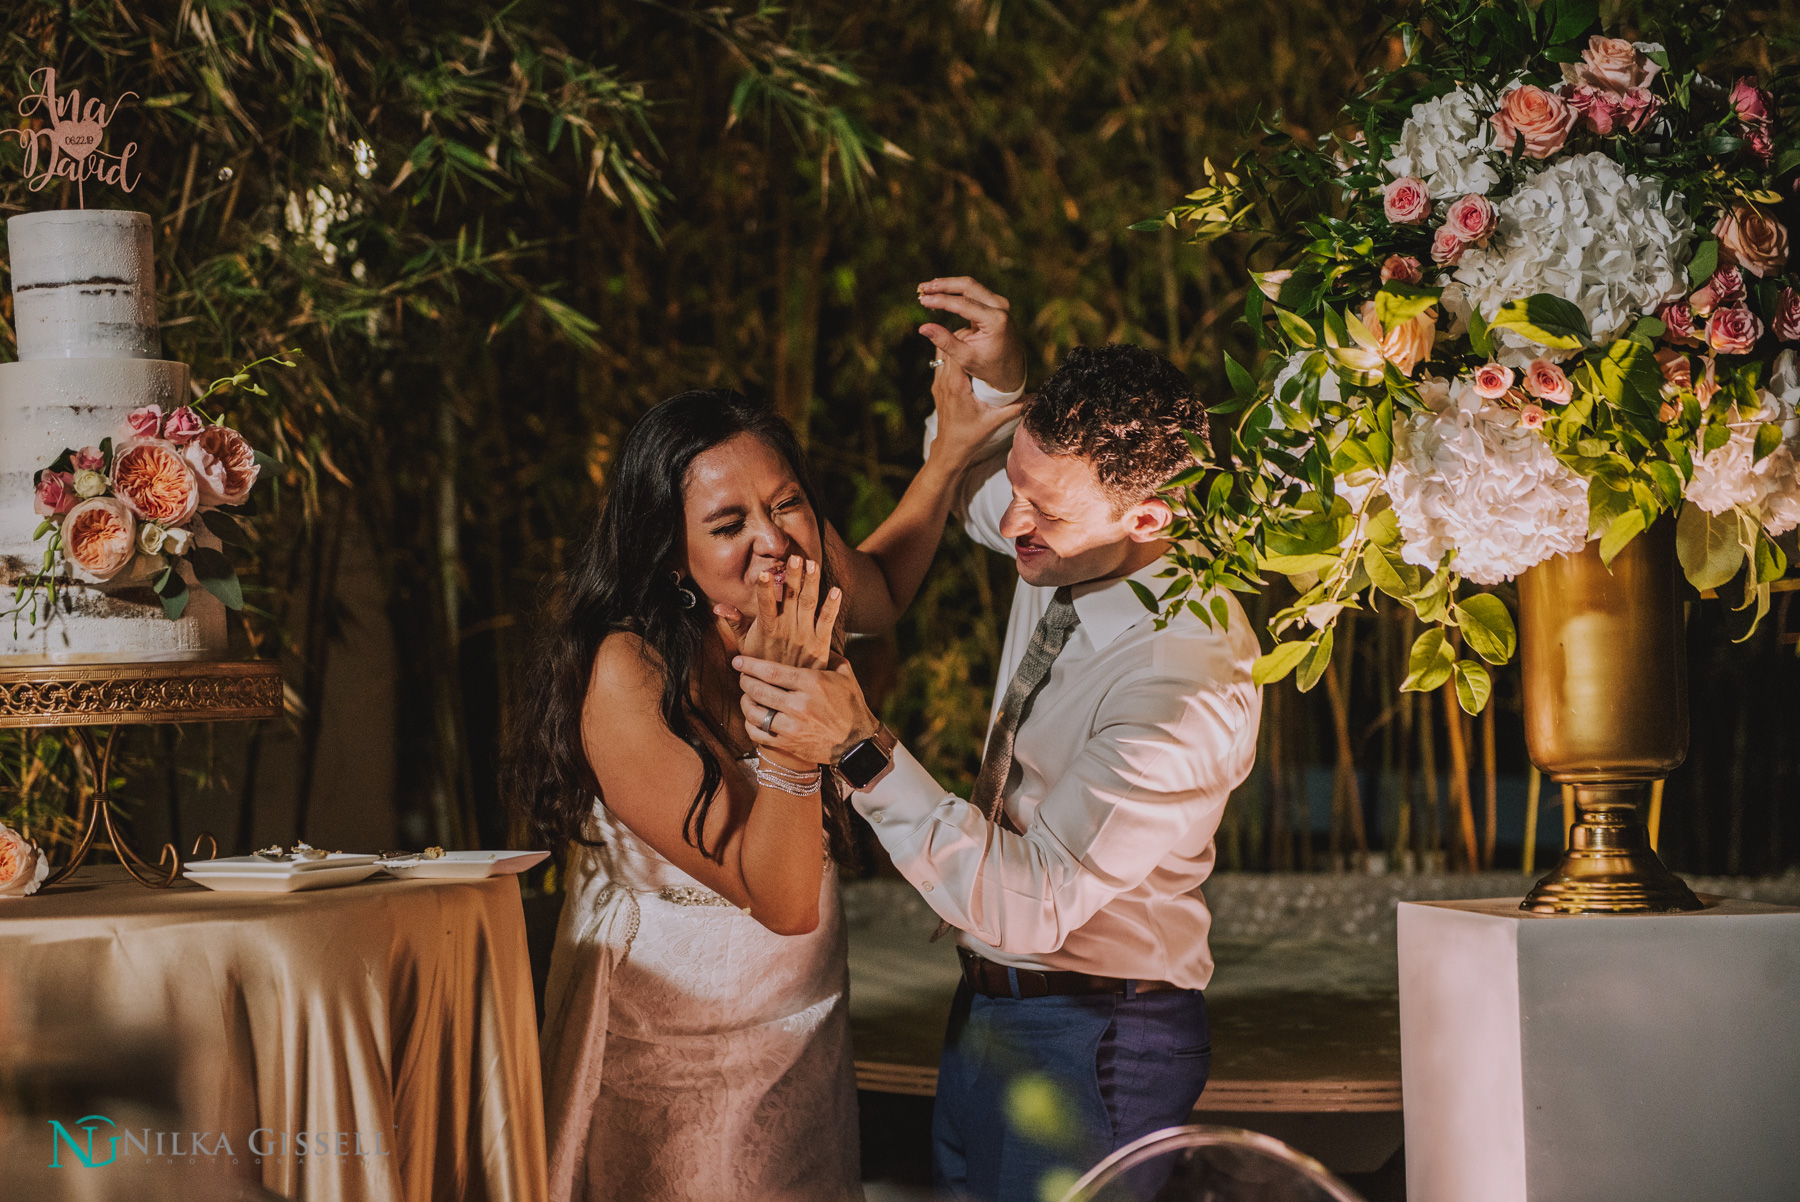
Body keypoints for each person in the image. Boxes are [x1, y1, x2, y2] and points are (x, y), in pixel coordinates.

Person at [735, 278, 1263, 1202]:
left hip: (1100, 1039)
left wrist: (858, 745)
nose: (1012, 525)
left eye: (1045, 512)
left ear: (1150, 518)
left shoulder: (1184, 684)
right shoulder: (1068, 537)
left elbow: (1036, 906)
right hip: (991, 1008)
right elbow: (980, 486)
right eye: (1022, 485)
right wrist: (1002, 386)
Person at [505, 382, 1018, 1202]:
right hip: (672, 1039)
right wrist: (793, 691)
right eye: (728, 524)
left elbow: (878, 589)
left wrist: (953, 451)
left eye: (787, 505)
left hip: (802, 1018)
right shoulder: (623, 672)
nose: (772, 539)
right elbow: (780, 897)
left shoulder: (791, 591)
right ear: (672, 551)